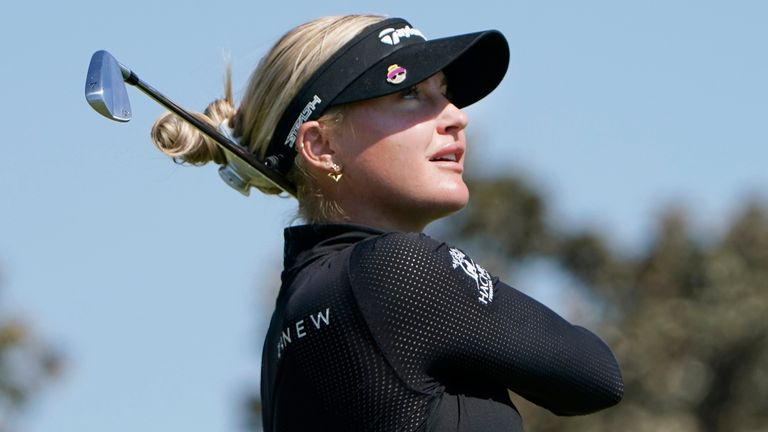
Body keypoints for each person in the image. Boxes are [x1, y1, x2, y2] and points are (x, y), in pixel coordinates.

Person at [150, 14, 624, 432]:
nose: (456, 117)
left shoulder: (292, 316)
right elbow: (595, 376)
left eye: (446, 94)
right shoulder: (402, 270)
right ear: (320, 148)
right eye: (409, 93)